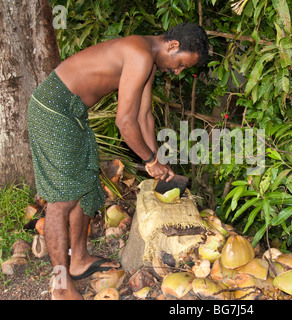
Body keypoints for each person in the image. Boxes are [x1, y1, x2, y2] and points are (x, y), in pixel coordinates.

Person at [27, 23, 209, 300]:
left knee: (87, 188)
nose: (178, 71)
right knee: (60, 202)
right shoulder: (140, 54)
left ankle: (78, 260)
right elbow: (124, 122)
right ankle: (61, 285)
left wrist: (158, 159)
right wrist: (148, 160)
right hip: (53, 109)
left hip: (73, 114)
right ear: (172, 46)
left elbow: (144, 115)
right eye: (181, 63)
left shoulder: (149, 58)